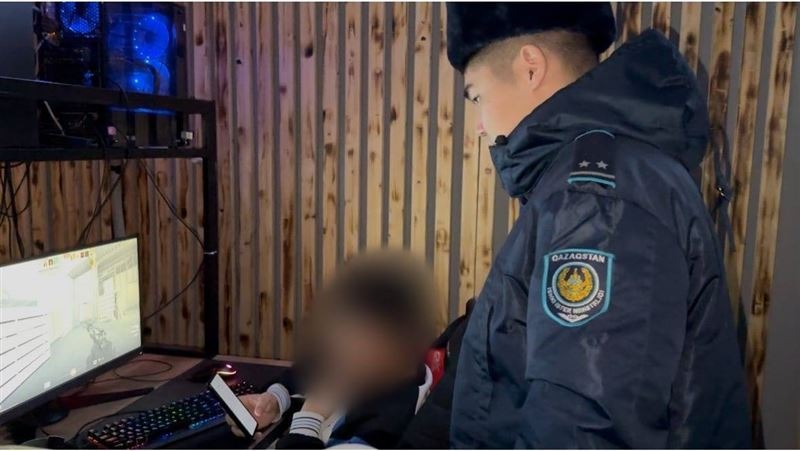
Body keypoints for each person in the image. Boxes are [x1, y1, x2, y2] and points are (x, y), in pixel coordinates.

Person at [444, 2, 751, 448]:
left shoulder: (595, 198)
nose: (478, 125)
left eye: (476, 96)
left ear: (530, 67)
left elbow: (582, 429)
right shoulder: (610, 174)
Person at [226, 250, 436, 449]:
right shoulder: (355, 365)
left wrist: (309, 416)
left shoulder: (389, 421)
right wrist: (273, 401)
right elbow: (300, 375)